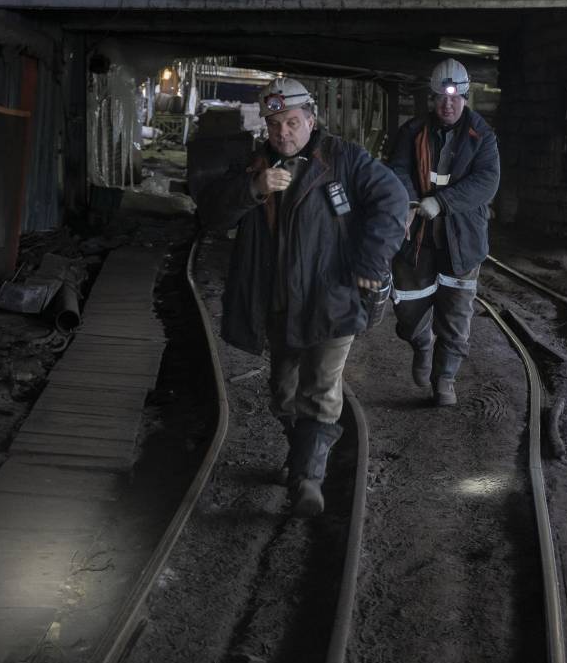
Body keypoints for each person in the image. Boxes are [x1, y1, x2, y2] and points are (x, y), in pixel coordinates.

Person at [198, 76, 406, 516]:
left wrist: (371, 262)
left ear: (311, 120)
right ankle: (301, 459)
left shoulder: (344, 159)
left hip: (332, 299)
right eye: (274, 125)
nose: (283, 133)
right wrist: (254, 190)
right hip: (278, 304)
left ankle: (308, 480)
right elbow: (212, 216)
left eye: (292, 122)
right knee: (284, 391)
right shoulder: (253, 165)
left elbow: (392, 199)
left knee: (321, 388)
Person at [389, 58, 500, 406]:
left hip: (462, 241)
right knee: (407, 311)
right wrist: (411, 202)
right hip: (417, 240)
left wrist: (442, 202)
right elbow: (397, 169)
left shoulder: (482, 136)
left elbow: (487, 181)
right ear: (432, 98)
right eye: (441, 97)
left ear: (465, 97)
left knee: (456, 314)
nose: (447, 104)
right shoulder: (412, 132)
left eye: (454, 98)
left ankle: (445, 379)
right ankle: (421, 342)